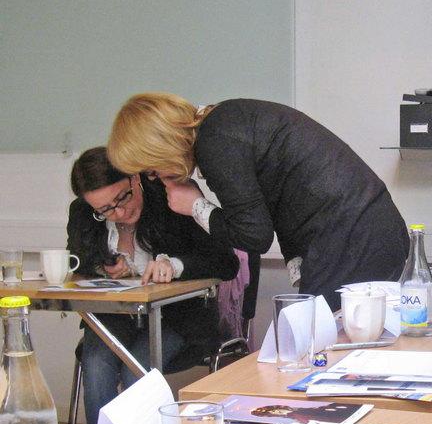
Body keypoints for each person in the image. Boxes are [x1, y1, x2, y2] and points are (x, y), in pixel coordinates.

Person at [106, 94, 409, 310]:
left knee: (318, 353)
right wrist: (299, 265)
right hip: (365, 230)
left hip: (353, 236)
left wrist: (196, 206)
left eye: (151, 169)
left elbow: (254, 236)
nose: (156, 177)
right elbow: (283, 194)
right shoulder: (227, 121)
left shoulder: (216, 142)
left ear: (160, 148)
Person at [67, 147, 239, 424]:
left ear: (134, 178)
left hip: (178, 319)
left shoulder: (171, 198)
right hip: (115, 318)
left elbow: (225, 262)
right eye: (105, 210)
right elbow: (77, 258)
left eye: (122, 198)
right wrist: (102, 265)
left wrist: (175, 265)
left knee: (135, 369)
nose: (119, 212)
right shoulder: (84, 212)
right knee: (95, 363)